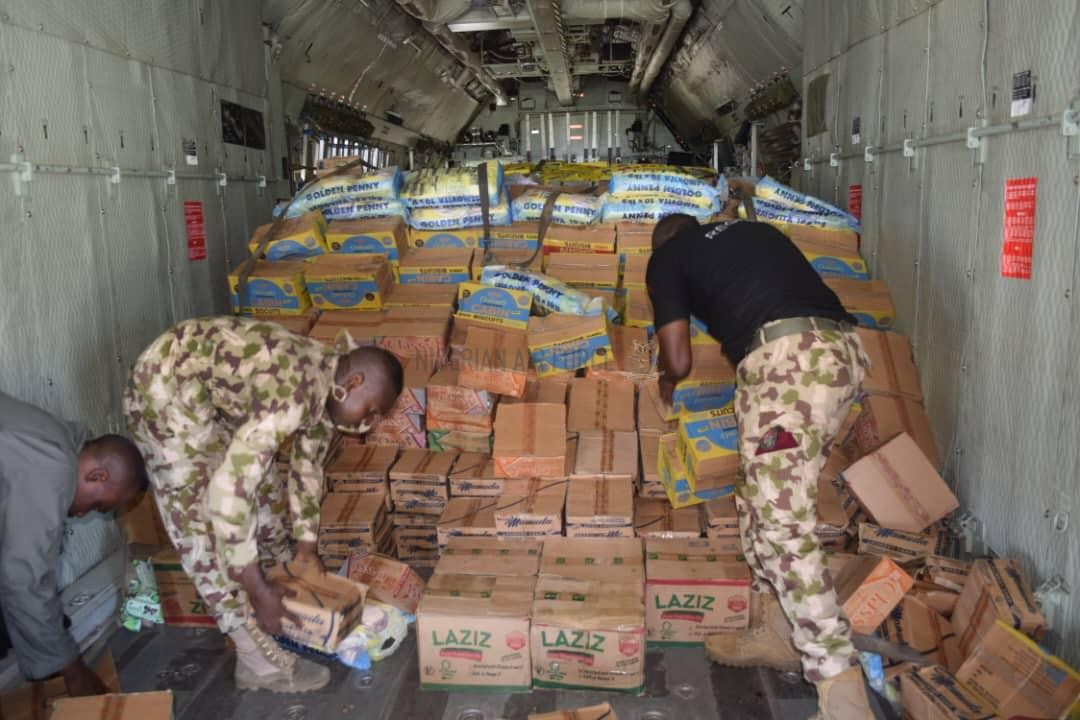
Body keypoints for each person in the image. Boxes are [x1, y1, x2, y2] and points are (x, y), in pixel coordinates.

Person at [645, 214, 873, 719]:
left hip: (789, 368)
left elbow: (678, 358)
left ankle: (842, 693)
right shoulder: (753, 232)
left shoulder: (667, 259)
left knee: (784, 523)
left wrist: (664, 382)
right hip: (841, 355)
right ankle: (780, 630)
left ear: (662, 244)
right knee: (755, 499)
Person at [123, 316, 403, 694]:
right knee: (200, 519)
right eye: (371, 410)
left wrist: (305, 549)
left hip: (207, 389)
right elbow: (228, 492)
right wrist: (254, 586)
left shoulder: (328, 381)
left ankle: (282, 590)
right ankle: (253, 656)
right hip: (165, 389)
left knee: (266, 489)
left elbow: (307, 469)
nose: (369, 423)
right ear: (353, 384)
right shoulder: (293, 396)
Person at [0, 391, 148, 696]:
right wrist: (73, 669)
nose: (81, 514)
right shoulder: (53, 469)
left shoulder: (54, 437)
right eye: (97, 506)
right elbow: (24, 577)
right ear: (96, 475)